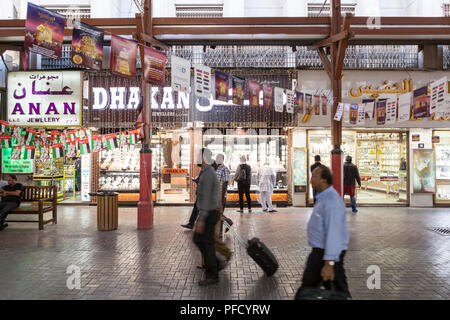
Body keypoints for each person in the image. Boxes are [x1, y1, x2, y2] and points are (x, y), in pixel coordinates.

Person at [295, 165, 351, 299]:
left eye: (314, 177)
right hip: (321, 253)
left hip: (327, 255)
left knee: (337, 292)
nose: (311, 180)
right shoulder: (324, 197)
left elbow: (334, 233)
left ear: (323, 181)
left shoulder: (331, 201)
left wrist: (329, 263)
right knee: (313, 288)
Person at [193, 148, 222, 286]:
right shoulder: (205, 171)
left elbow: (208, 197)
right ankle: (215, 263)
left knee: (206, 242)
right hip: (208, 211)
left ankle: (213, 274)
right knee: (200, 240)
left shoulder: (209, 173)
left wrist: (201, 218)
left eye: (199, 156)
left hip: (210, 212)